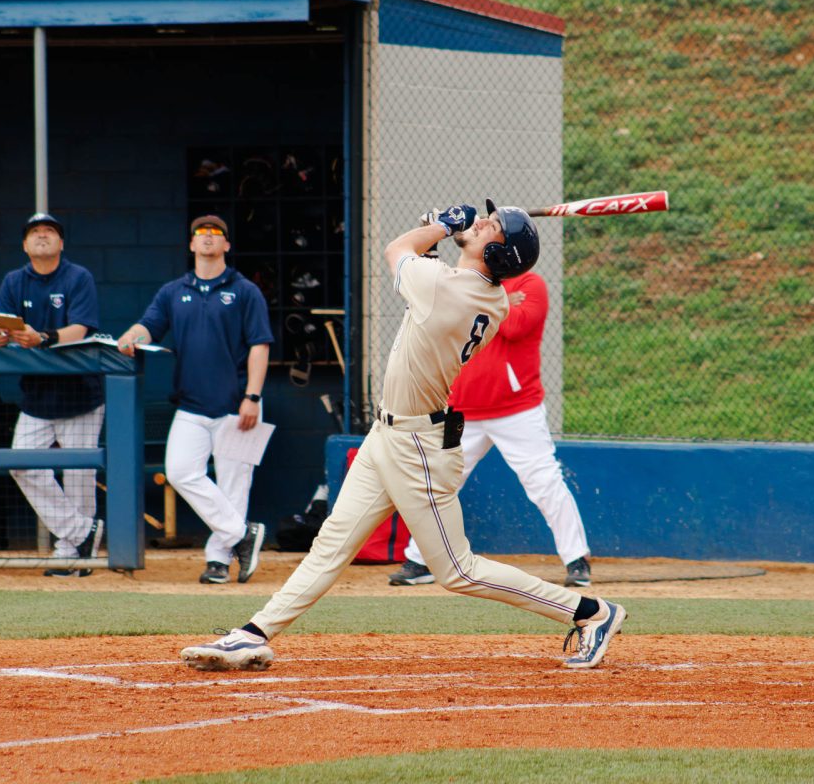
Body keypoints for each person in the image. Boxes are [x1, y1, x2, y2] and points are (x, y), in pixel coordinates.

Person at [180, 201, 625, 672]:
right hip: (389, 434)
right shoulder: (482, 295)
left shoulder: (448, 291)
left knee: (457, 571)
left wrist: (440, 226)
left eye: (489, 227)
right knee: (332, 543)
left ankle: (591, 613)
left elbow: (397, 250)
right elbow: (430, 270)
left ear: (497, 256)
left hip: (418, 446)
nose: (479, 224)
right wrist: (443, 233)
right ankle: (254, 633)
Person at [389, 269, 593, 588]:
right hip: (462, 407)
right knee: (441, 483)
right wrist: (499, 303)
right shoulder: (464, 281)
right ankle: (419, 559)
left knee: (543, 480)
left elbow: (514, 327)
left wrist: (481, 306)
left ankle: (576, 559)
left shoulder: (531, 283)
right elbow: (446, 321)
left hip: (517, 410)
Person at [116, 215, 271, 585]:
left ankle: (218, 560)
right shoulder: (174, 290)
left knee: (236, 484)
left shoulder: (245, 290)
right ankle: (241, 535)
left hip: (238, 403)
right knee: (180, 471)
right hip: (191, 404)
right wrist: (130, 336)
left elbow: (259, 345)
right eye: (200, 233)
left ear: (226, 245)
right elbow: (148, 325)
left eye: (216, 233)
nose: (207, 238)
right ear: (191, 244)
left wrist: (253, 396)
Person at [0, 213, 103, 576]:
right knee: (21, 463)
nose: (42, 236)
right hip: (37, 394)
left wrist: (45, 338)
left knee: (79, 476)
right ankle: (81, 532)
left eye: (49, 231)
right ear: (25, 244)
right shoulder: (13, 280)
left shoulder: (77, 276)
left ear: (61, 243)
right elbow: (2, 323)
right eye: (35, 232)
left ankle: (73, 554)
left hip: (79, 392)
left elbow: (83, 327)